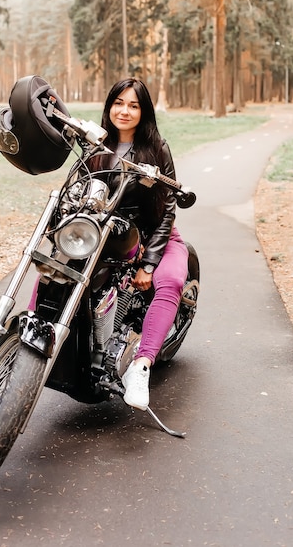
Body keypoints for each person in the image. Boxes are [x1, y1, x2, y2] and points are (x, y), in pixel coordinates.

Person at [88, 78, 189, 411]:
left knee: (170, 280)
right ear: (109, 106)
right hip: (110, 236)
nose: (124, 110)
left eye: (133, 105)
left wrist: (150, 262)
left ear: (143, 111)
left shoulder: (157, 147)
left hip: (155, 235)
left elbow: (169, 205)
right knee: (60, 265)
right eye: (118, 102)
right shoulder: (96, 146)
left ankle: (141, 366)